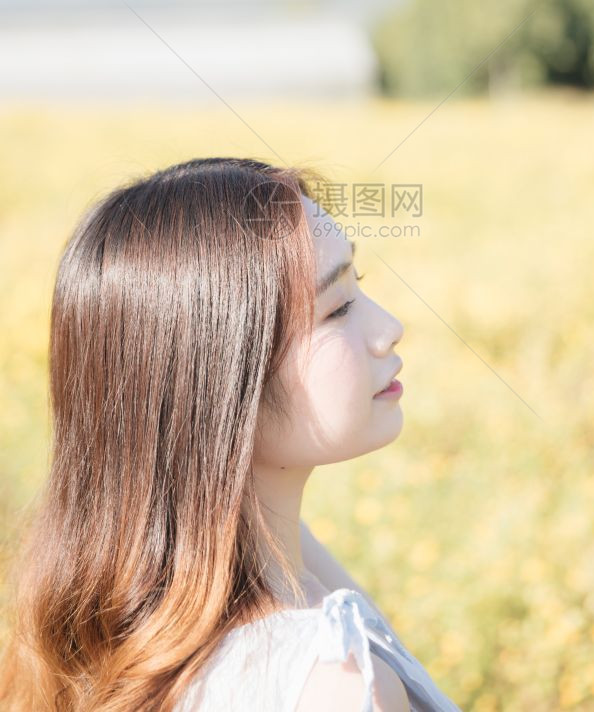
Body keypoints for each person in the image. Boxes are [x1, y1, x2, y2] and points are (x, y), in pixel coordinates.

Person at [0, 156, 463, 711]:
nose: (389, 328)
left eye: (358, 286)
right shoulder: (331, 684)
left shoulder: (119, 629)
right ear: (217, 380)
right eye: (337, 309)